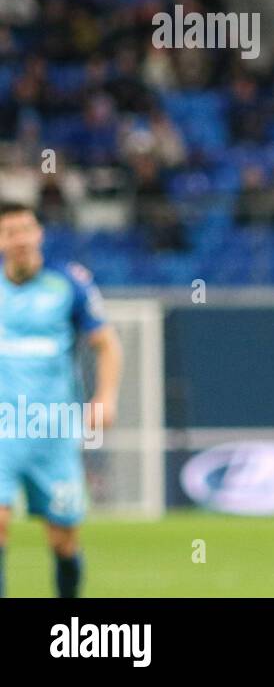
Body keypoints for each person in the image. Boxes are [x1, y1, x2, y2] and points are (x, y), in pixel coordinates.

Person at [0, 203, 122, 598]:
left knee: (63, 540)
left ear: (39, 234)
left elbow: (106, 344)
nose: (19, 239)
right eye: (9, 232)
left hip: (53, 433)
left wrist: (105, 395)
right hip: (3, 433)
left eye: (25, 229)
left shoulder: (68, 284)